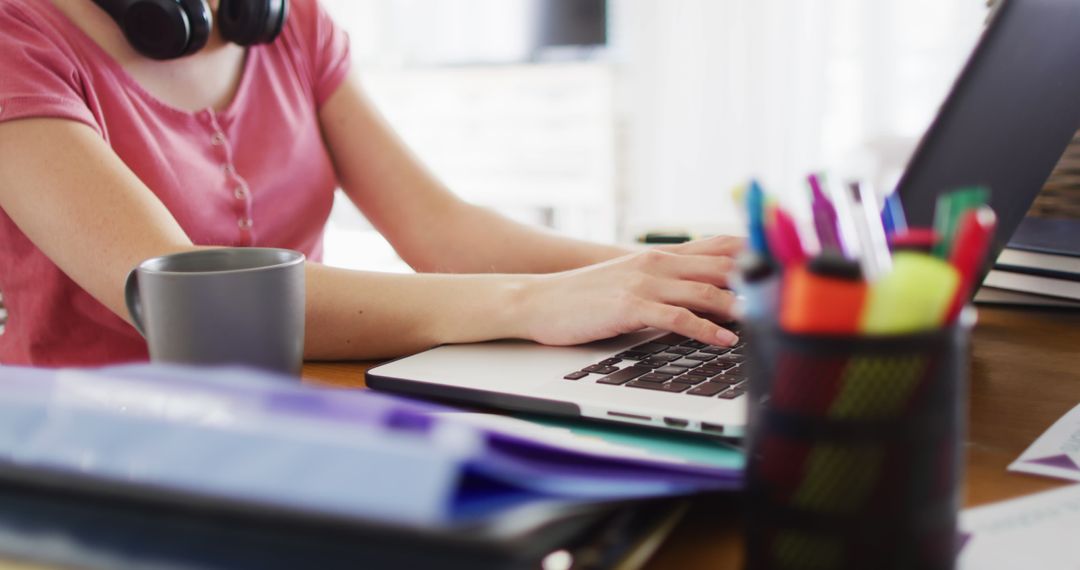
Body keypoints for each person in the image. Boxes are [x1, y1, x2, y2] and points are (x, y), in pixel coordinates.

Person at [0, 0, 742, 367]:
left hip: (300, 405)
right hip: (94, 452)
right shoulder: (17, 38)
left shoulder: (290, 25)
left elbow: (442, 230)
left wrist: (672, 280)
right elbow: (192, 299)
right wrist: (529, 301)